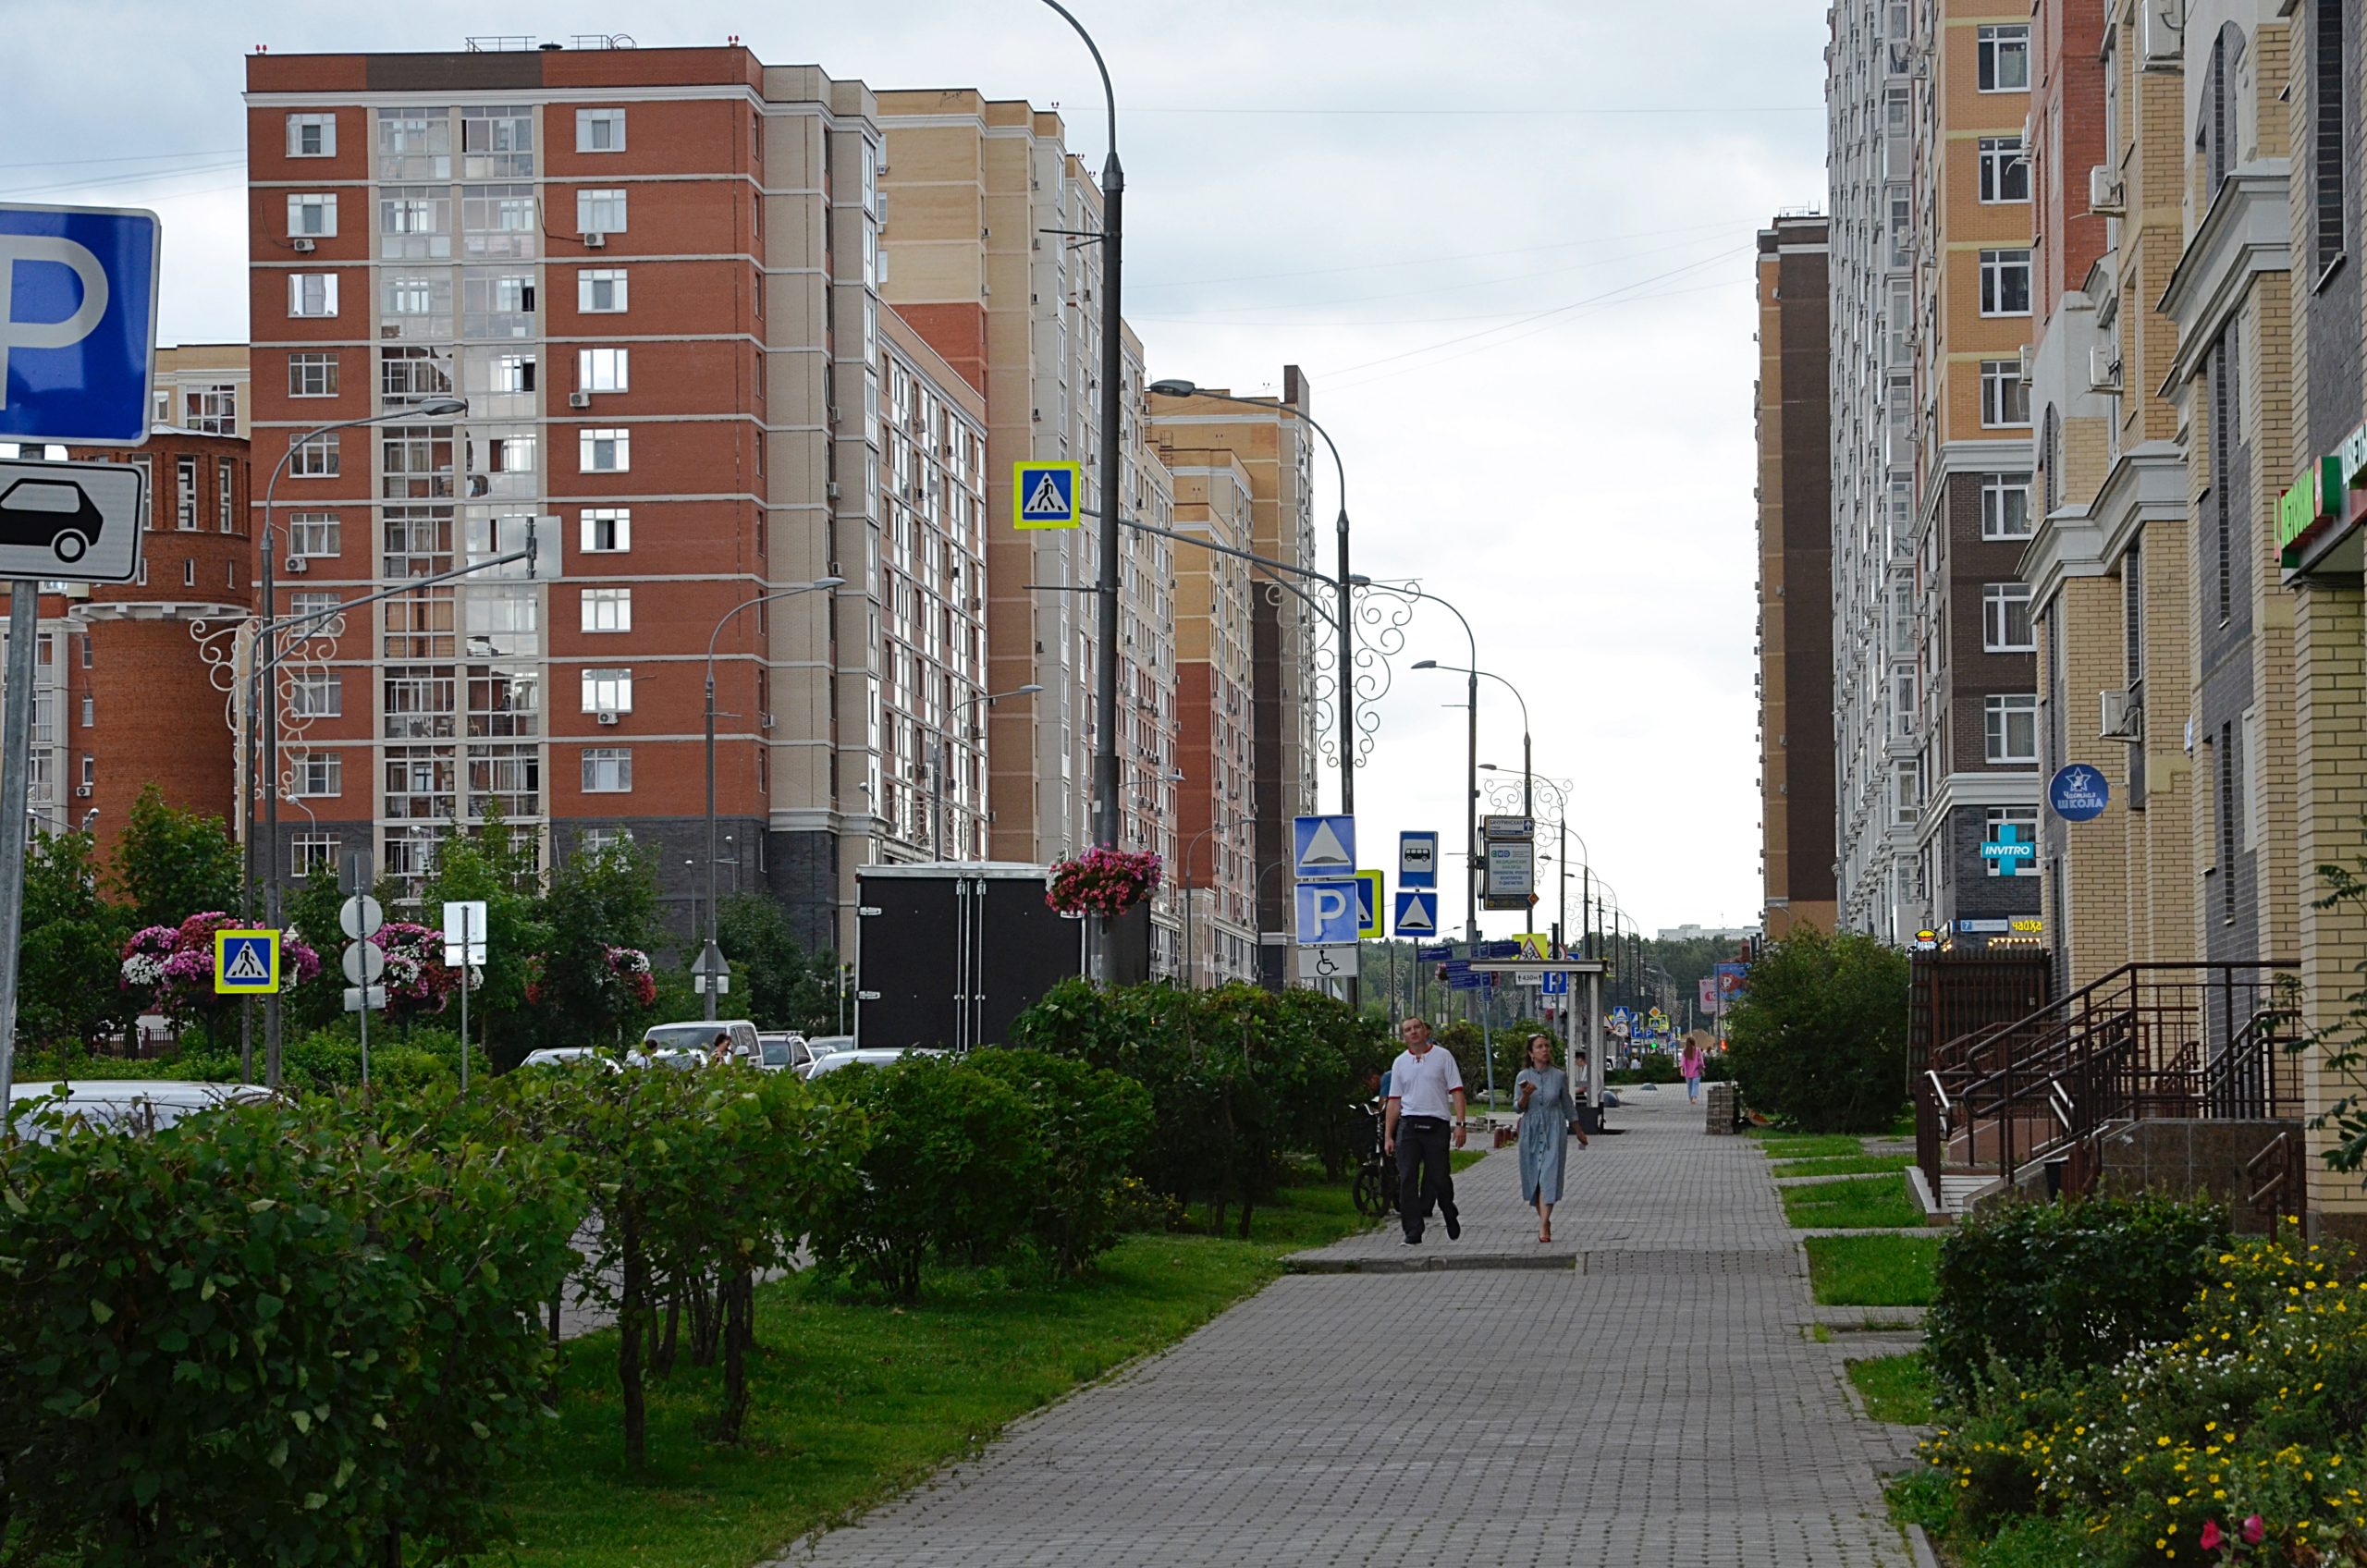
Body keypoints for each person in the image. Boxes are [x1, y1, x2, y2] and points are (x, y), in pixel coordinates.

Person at [1381, 1016, 1466, 1245]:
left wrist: (1460, 1124)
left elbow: (1457, 1091)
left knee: (1439, 1177)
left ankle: (1448, 1210)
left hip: (1436, 1123)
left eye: (1417, 1027)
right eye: (1408, 1030)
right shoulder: (1400, 1063)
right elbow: (1394, 1101)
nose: (1413, 1032)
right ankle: (1413, 1230)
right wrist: (1389, 1135)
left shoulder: (1443, 1057)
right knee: (1407, 1177)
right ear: (1404, 1036)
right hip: (1409, 1125)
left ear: (1426, 1031)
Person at [1515, 1035, 1588, 1243]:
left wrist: (1579, 1130)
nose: (1544, 1049)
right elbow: (1517, 1107)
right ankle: (1544, 1219)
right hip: (1530, 1129)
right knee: (1534, 1179)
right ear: (1531, 1053)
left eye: (1546, 1046)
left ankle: (1543, 1224)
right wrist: (1526, 1095)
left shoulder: (1558, 1076)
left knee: (1549, 1175)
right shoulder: (1523, 1076)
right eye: (1539, 1047)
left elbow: (1567, 1105)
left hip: (1554, 1128)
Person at [1680, 1037, 1705, 1103]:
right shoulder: (1697, 1050)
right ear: (1694, 1042)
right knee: (1695, 1085)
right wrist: (1702, 1066)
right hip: (1696, 1071)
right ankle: (1694, 1097)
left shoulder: (1685, 1051)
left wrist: (1681, 1070)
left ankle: (1691, 1099)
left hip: (1687, 1071)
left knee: (1689, 1086)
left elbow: (1683, 1061)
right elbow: (1701, 1060)